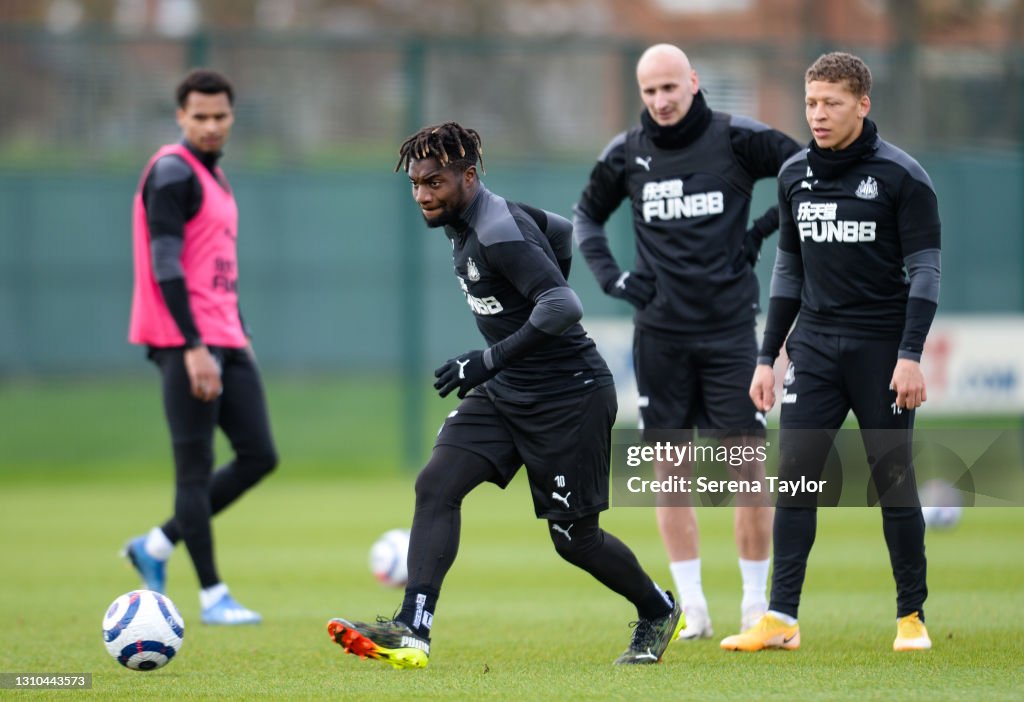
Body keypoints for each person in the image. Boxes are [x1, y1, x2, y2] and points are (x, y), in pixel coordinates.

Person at [326, 122, 682, 669]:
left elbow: (564, 306)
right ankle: (412, 627)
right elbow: (558, 230)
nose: (423, 194)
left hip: (570, 395)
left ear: (468, 177)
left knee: (573, 539)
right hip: (506, 391)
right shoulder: (470, 220)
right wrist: (501, 359)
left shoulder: (497, 230)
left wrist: (484, 360)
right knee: (436, 485)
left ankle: (657, 609)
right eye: (416, 183)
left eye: (435, 183)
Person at [574, 43, 801, 639]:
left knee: (744, 468)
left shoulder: (735, 138)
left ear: (694, 82)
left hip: (730, 332)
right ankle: (693, 609)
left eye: (670, 88)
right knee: (670, 472)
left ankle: (756, 606)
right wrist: (614, 280)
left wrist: (758, 233)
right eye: (649, 91)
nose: (661, 101)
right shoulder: (626, 153)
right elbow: (586, 218)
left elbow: (805, 169)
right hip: (660, 336)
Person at [720, 51, 940, 652]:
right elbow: (787, 272)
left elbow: (924, 272)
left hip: (881, 350)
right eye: (811, 102)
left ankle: (910, 617)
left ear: (863, 104)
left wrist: (911, 354)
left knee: (892, 480)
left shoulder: (903, 177)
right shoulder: (793, 174)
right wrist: (768, 359)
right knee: (795, 481)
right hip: (813, 348)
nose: (817, 114)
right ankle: (781, 618)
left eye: (831, 103)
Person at [125, 69, 278, 625]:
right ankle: (213, 596)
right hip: (183, 338)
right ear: (181, 116)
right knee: (194, 470)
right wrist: (191, 345)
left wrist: (239, 335)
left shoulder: (215, 176)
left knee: (260, 455)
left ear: (231, 117)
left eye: (220, 116)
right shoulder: (171, 172)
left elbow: (214, 266)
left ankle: (156, 544)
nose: (211, 125)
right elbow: (165, 263)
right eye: (200, 116)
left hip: (226, 335)